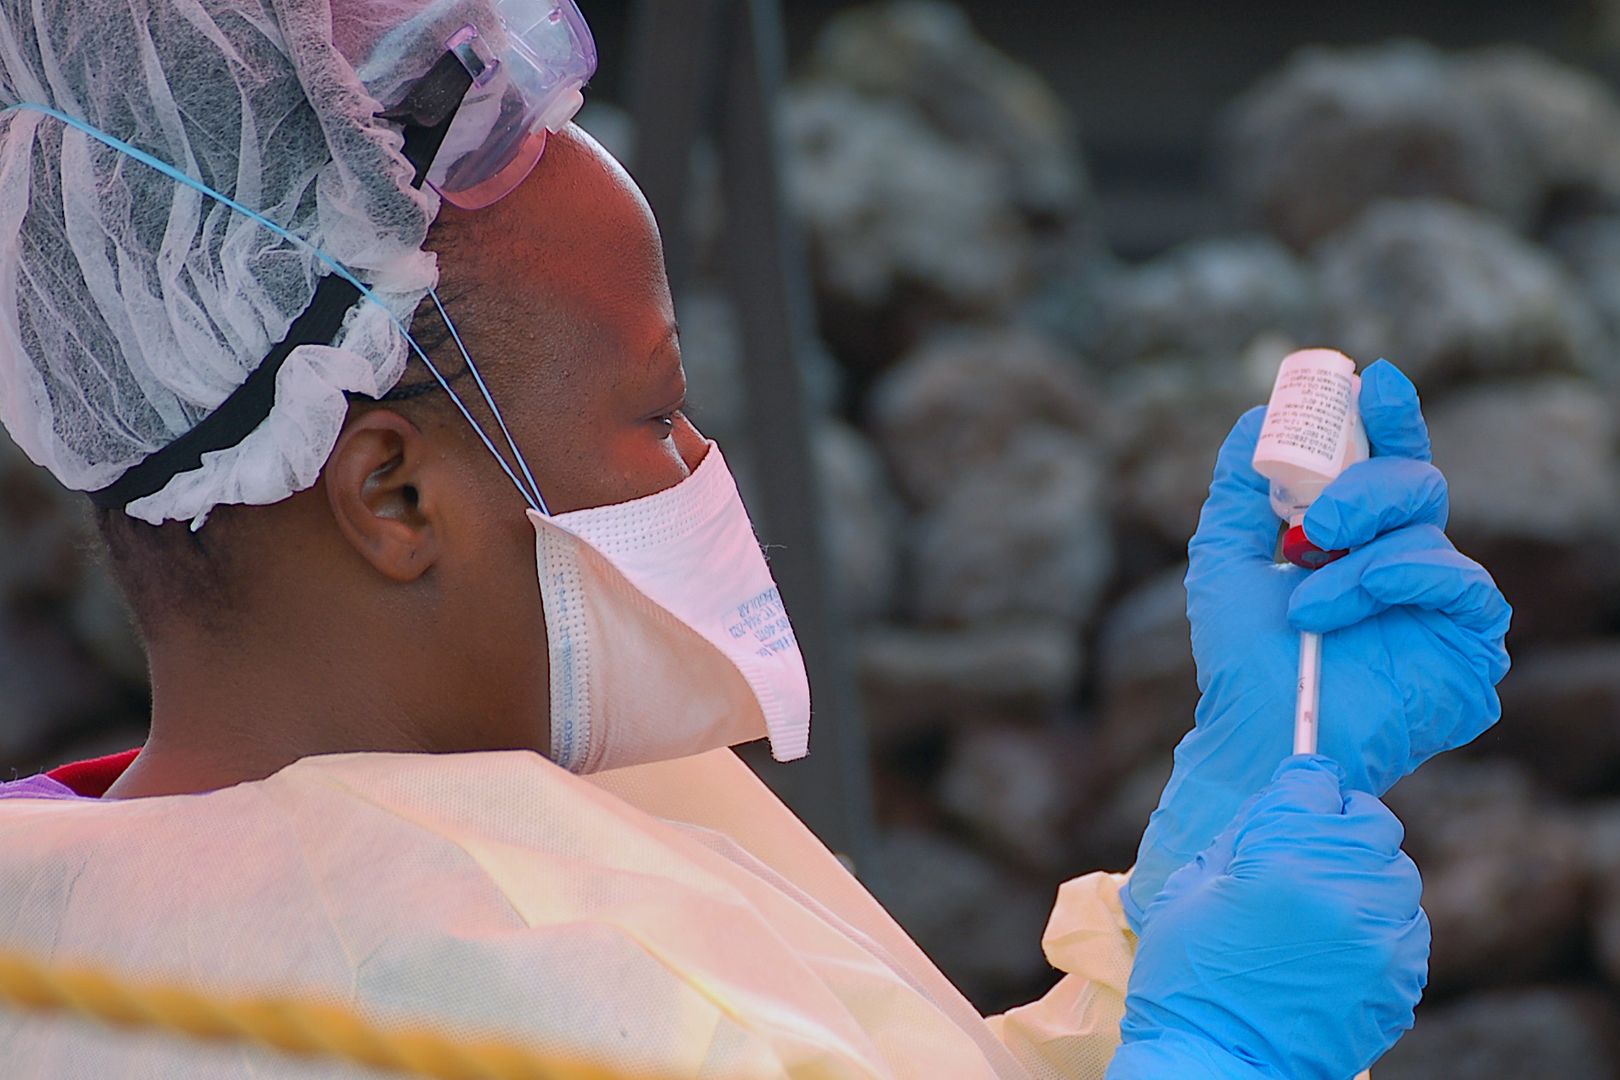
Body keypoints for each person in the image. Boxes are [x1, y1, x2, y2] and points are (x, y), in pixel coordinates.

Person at [0, 1, 1511, 1077]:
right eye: (657, 413)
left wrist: (1198, 869)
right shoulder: (453, 969)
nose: (705, 468)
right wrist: (1221, 1055)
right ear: (395, 498)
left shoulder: (89, 899)